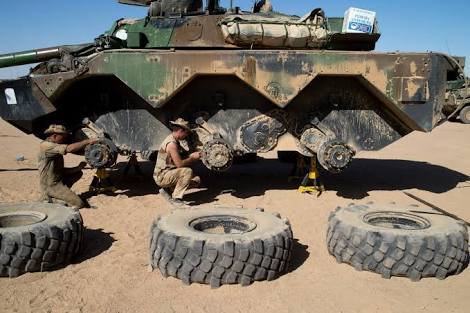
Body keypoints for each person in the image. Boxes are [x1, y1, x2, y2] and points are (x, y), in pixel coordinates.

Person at [38, 124, 97, 208]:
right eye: (63, 137)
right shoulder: (46, 146)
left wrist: (78, 168)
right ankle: (51, 199)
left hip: (59, 180)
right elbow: (69, 149)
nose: (65, 139)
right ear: (55, 136)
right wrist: (87, 141)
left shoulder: (54, 147)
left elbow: (60, 170)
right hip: (51, 185)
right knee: (78, 204)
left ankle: (62, 194)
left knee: (78, 173)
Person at [154, 118, 201, 204]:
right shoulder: (172, 144)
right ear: (180, 130)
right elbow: (179, 164)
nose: (186, 135)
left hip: (168, 172)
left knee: (196, 180)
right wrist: (192, 158)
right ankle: (176, 198)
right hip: (162, 176)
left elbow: (181, 156)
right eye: (186, 132)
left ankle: (167, 190)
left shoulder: (174, 140)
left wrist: (191, 154)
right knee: (187, 172)